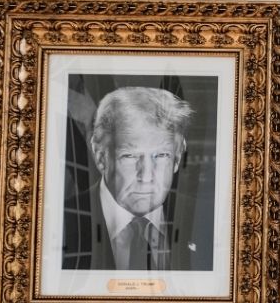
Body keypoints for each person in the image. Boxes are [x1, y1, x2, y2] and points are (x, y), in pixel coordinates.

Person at [61, 86, 212, 272]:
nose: (147, 176)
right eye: (129, 156)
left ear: (178, 158)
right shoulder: (58, 223)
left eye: (161, 155)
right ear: (101, 157)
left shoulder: (209, 222)